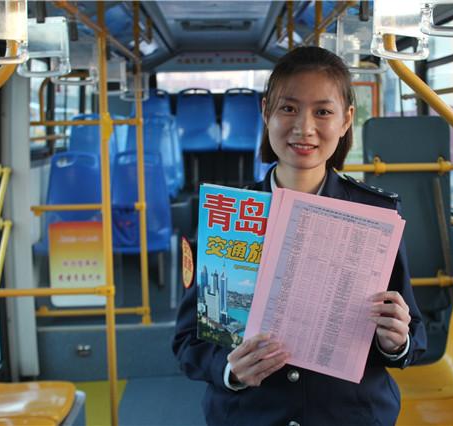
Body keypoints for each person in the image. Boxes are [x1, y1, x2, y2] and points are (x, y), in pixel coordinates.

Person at [173, 46, 426, 426]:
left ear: (346, 120)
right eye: (289, 108)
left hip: (349, 415)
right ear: (266, 113)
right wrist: (230, 370)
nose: (304, 127)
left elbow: (414, 333)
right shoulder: (227, 215)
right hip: (251, 415)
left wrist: (396, 341)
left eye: (322, 112)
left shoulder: (376, 216)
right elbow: (187, 341)